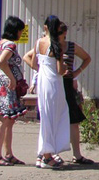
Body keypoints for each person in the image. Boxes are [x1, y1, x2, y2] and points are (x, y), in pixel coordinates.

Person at [23, 15, 71, 169]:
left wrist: (43, 70)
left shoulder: (39, 43)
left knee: (45, 116)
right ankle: (47, 156)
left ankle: (43, 153)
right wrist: (65, 68)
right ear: (57, 28)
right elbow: (59, 69)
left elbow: (32, 62)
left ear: (45, 27)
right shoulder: (57, 45)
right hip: (54, 83)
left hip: (43, 82)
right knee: (56, 116)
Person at [0, 16, 29, 166]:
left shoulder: (1, 44)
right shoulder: (10, 45)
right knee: (3, 120)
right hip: (7, 88)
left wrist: (2, 75)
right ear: (16, 31)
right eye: (20, 30)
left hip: (3, 86)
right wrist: (11, 78)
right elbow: (1, 61)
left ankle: (8, 153)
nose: (21, 33)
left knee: (9, 121)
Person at [57, 22, 95, 165]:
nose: (58, 36)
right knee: (57, 120)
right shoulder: (50, 46)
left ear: (65, 33)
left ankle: (77, 154)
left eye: (60, 33)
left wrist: (76, 72)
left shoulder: (71, 46)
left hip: (67, 84)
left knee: (73, 121)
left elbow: (87, 58)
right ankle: (54, 153)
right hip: (55, 84)